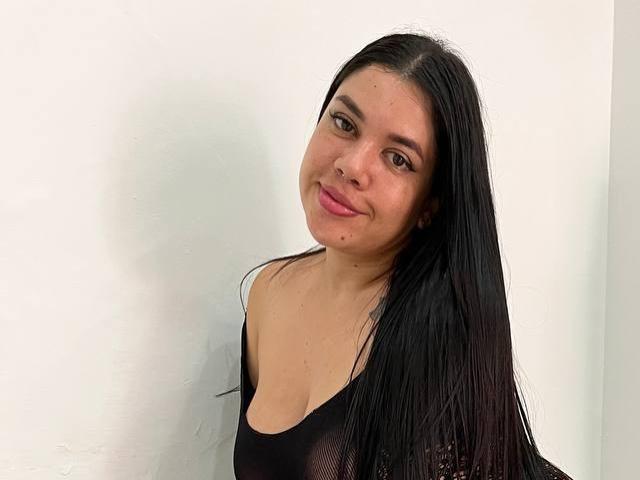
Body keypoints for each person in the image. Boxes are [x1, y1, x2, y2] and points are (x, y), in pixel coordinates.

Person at [218, 31, 574, 480]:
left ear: (431, 204)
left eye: (398, 159)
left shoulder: (442, 351)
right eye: (344, 123)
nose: (352, 165)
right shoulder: (269, 291)